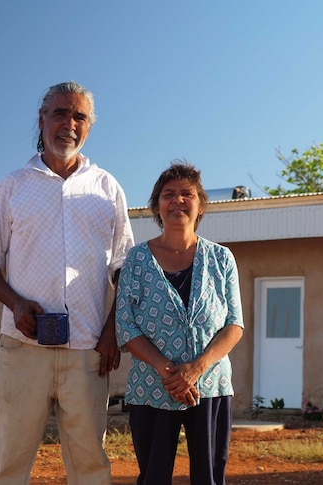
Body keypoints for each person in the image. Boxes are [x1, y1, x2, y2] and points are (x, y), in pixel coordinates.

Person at [0, 80, 134, 485]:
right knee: (11, 461)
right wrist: (17, 303)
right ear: (42, 120)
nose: (69, 124)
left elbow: (123, 267)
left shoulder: (107, 188)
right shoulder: (9, 188)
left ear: (89, 126)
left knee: (90, 465)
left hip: (89, 349)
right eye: (60, 113)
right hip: (24, 346)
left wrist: (112, 330)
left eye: (79, 116)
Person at [115, 161, 244, 485]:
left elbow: (234, 323)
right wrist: (168, 370)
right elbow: (126, 326)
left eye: (187, 194)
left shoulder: (221, 258)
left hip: (210, 385)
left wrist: (195, 369)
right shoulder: (137, 259)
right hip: (152, 386)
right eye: (168, 194)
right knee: (154, 476)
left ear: (200, 203)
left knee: (209, 477)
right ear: (157, 205)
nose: (178, 201)